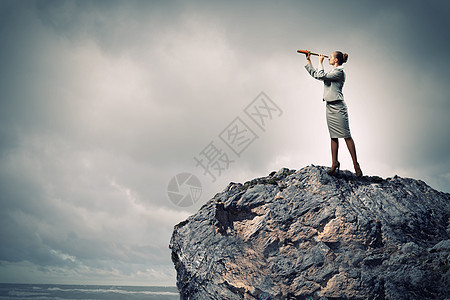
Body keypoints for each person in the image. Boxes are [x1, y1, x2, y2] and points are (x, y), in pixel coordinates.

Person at [304, 51, 362, 177]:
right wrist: (309, 61)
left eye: (330, 57)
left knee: (346, 135)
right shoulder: (331, 72)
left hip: (339, 107)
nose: (328, 58)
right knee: (333, 136)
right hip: (329, 106)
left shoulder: (339, 72)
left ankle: (356, 164)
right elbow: (316, 75)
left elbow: (321, 75)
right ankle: (334, 163)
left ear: (336, 60)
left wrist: (320, 62)